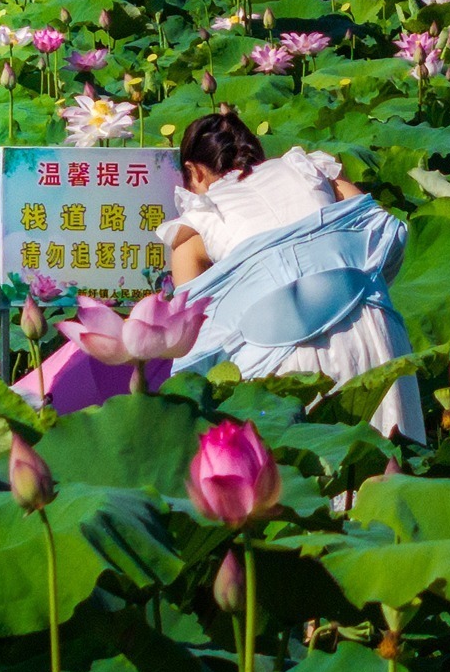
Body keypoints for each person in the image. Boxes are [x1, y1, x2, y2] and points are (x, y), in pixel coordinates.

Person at [164, 109, 423, 440]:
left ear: (192, 172)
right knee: (390, 471)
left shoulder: (197, 220)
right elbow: (383, 233)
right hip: (371, 325)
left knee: (310, 483)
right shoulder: (309, 169)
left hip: (279, 358)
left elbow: (190, 338)